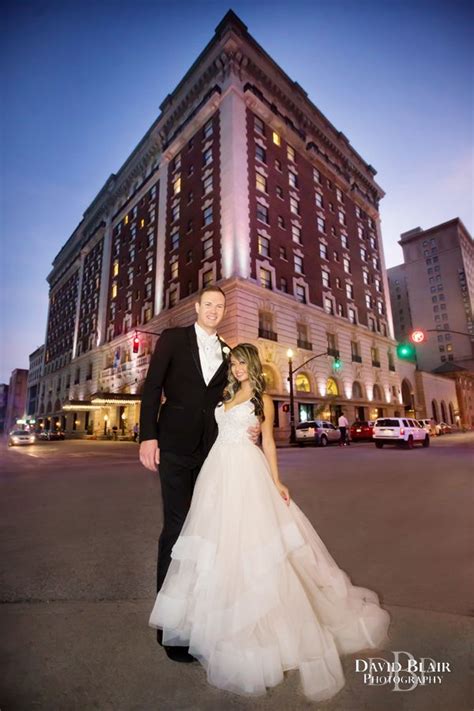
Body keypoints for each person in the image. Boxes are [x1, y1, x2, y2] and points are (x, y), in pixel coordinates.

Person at [148, 344, 391, 703]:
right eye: (234, 362)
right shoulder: (226, 391)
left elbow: (267, 443)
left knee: (251, 543)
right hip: (216, 473)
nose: (238, 368)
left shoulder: (262, 399)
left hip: (247, 471)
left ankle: (259, 628)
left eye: (243, 363)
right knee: (216, 544)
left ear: (254, 366)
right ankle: (214, 624)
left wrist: (276, 481)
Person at [139, 286, 260, 663]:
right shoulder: (174, 339)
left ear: (224, 311)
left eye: (220, 306)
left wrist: (252, 425)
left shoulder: (228, 351)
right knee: (176, 529)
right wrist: (148, 436)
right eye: (208, 304)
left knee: (205, 532)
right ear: (197, 307)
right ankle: (171, 628)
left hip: (212, 450)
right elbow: (152, 388)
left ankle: (201, 618)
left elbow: (241, 393)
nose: (213, 310)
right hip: (173, 445)